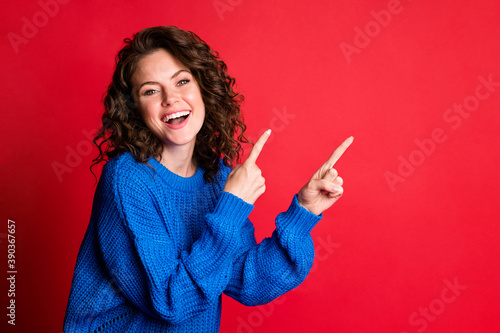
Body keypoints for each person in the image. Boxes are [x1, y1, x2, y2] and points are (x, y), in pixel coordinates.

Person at [63, 25, 353, 332]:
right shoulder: (127, 179)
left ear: (203, 88)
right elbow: (170, 301)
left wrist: (304, 212)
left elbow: (248, 282)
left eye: (182, 81)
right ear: (135, 108)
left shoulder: (216, 179)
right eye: (151, 90)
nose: (170, 99)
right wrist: (232, 206)